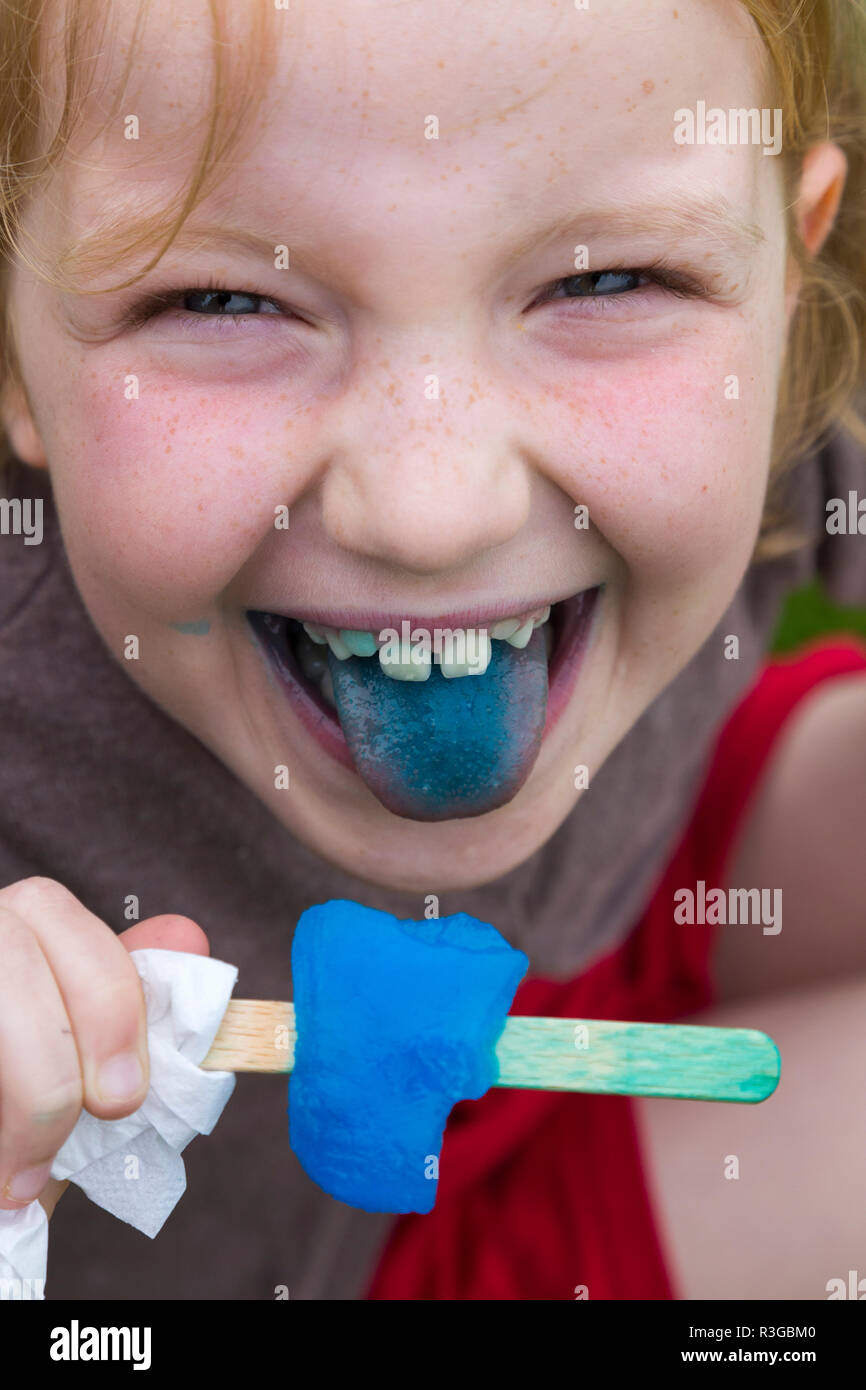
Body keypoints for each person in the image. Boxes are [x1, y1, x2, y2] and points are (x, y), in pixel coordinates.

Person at [0, 0, 864, 1300]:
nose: (429, 514)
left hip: (632, 891)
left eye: (605, 282)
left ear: (782, 300)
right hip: (349, 1251)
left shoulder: (752, 411)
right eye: (223, 300)